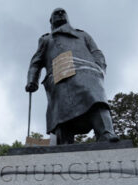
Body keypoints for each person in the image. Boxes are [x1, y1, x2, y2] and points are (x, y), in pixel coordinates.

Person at [26, 8, 119, 144]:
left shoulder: (82, 35)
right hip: (59, 74)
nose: (60, 14)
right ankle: (63, 142)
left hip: (87, 71)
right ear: (51, 21)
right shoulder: (46, 39)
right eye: (55, 13)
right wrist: (32, 80)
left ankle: (105, 133)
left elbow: (97, 52)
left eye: (62, 12)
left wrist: (99, 68)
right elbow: (36, 62)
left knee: (96, 99)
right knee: (60, 111)